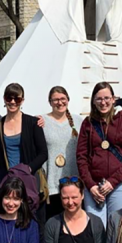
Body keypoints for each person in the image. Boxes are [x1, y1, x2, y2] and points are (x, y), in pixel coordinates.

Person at [77, 82, 122, 227]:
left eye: (106, 98)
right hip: (93, 186)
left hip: (118, 184)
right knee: (95, 227)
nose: (103, 102)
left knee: (116, 226)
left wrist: (113, 181)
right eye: (99, 99)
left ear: (113, 99)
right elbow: (81, 157)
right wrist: (90, 185)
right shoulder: (87, 123)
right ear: (93, 100)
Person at [0, 83, 48, 224]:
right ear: (4, 99)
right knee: (9, 221)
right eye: (9, 98)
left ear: (22, 101)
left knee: (32, 221)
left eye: (16, 99)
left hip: (29, 181)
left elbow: (43, 153)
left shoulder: (33, 123)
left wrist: (27, 169)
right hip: (8, 181)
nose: (12, 102)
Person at [42, 86, 80, 220]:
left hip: (75, 182)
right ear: (50, 102)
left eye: (63, 99)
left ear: (68, 100)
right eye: (55, 100)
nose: (60, 102)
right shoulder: (41, 121)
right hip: (52, 184)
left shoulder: (79, 121)